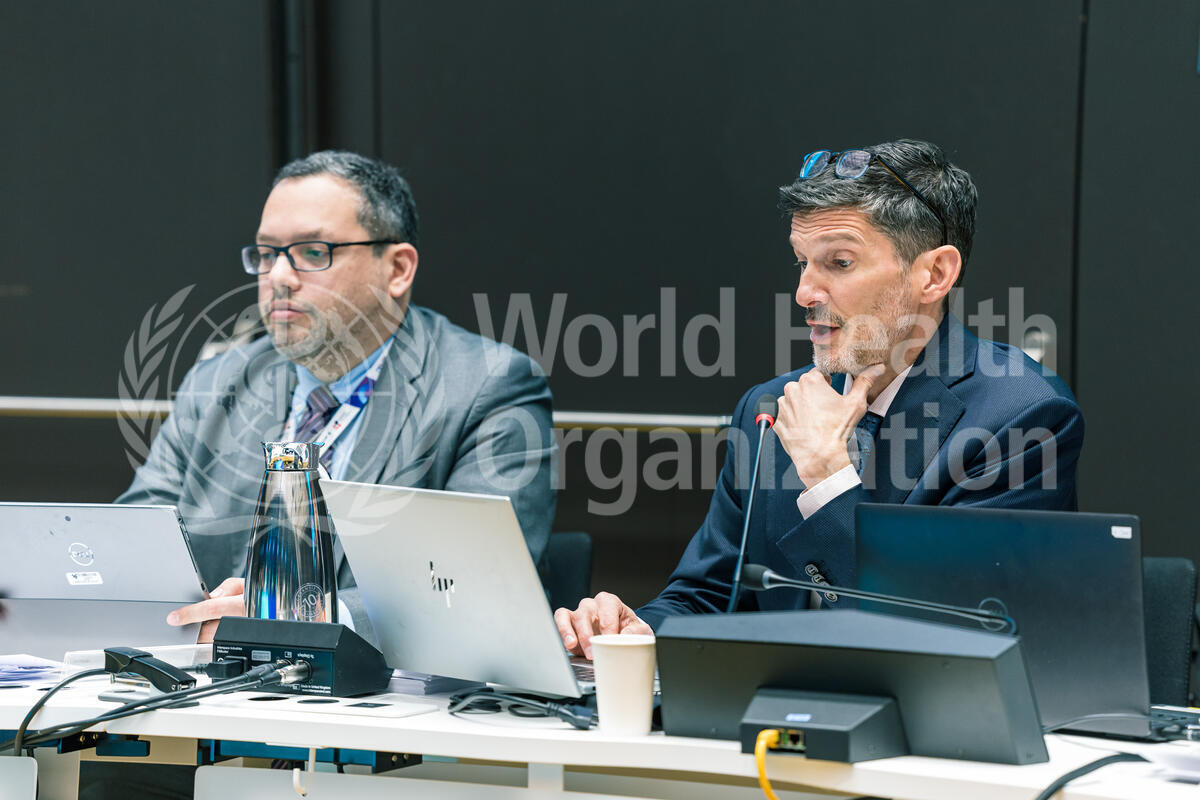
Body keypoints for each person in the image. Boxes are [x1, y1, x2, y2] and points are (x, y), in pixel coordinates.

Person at [555, 139, 1084, 658]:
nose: (804, 293)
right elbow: (710, 595)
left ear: (935, 274)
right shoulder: (768, 408)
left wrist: (827, 476)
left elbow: (951, 645)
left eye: (840, 262)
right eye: (801, 262)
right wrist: (640, 632)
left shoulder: (1021, 417)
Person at [117, 151, 556, 643]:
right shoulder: (215, 382)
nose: (279, 277)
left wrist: (298, 618)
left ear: (397, 269)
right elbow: (134, 545)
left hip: (374, 684)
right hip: (205, 677)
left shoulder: (489, 388)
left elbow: (475, 582)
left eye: (312, 252)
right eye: (266, 254)